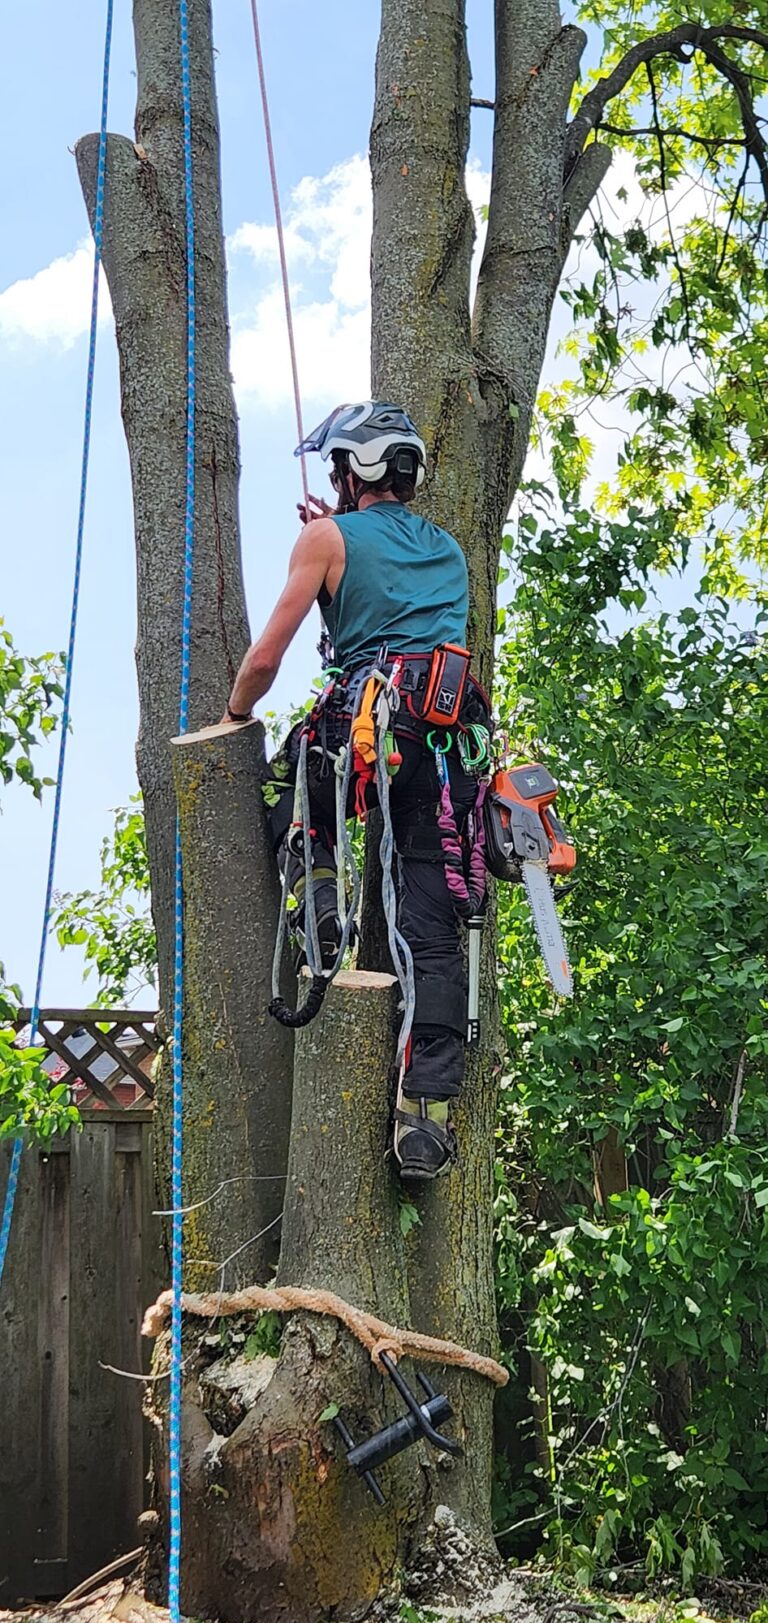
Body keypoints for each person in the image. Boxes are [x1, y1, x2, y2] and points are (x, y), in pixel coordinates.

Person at [221, 403, 491, 1181]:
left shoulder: (326, 539)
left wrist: (236, 712)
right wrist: (332, 538)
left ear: (356, 469)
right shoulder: (448, 549)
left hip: (363, 728)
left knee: (294, 793)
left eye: (340, 467)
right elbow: (389, 579)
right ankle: (425, 1121)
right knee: (433, 923)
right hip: (443, 748)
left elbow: (268, 657)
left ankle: (322, 908)